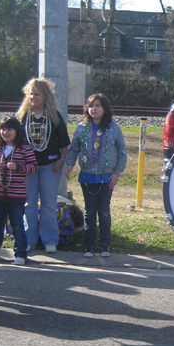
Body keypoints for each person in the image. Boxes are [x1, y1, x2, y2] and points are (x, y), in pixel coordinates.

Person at [65, 94, 127, 257]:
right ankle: (89, 246)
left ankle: (105, 245)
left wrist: (116, 173)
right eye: (91, 105)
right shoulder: (81, 128)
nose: (94, 109)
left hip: (106, 177)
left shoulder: (114, 128)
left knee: (104, 210)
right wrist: (70, 165)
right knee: (90, 211)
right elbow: (74, 149)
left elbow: (122, 152)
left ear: (105, 109)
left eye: (98, 105)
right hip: (87, 176)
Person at [17, 78, 71, 253]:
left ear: (45, 95)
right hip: (28, 167)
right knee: (29, 204)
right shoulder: (23, 116)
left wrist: (61, 160)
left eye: (37, 94)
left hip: (50, 165)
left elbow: (64, 143)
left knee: (48, 204)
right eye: (30, 94)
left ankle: (49, 240)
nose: (33, 97)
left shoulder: (53, 115)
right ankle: (29, 239)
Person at [0, 117, 37, 265]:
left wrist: (19, 167)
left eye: (9, 129)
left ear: (16, 131)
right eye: (3, 129)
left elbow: (33, 167)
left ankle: (20, 254)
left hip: (16, 195)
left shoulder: (25, 148)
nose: (6, 132)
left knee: (17, 225)